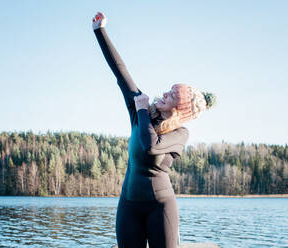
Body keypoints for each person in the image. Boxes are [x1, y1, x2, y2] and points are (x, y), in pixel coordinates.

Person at [92, 12, 216, 248]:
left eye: (172, 95)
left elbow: (151, 147)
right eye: (169, 90)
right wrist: (100, 31)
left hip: (160, 208)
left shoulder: (180, 133)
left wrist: (141, 112)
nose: (165, 93)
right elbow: (121, 72)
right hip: (128, 205)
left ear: (179, 108)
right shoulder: (141, 108)